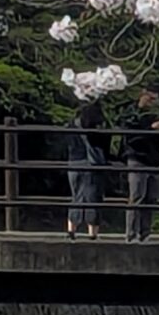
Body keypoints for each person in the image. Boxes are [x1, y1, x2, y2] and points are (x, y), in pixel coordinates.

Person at [118, 90, 159, 241]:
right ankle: (131, 233)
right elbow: (132, 136)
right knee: (137, 196)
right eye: (151, 98)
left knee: (151, 198)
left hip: (153, 158)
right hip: (137, 156)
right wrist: (152, 129)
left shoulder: (155, 115)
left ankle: (145, 232)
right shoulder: (131, 114)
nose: (153, 102)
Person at [65, 100, 109, 237]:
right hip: (92, 163)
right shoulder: (96, 126)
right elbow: (104, 144)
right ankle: (92, 233)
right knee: (93, 198)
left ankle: (71, 229)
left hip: (74, 162)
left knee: (76, 196)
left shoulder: (71, 125)